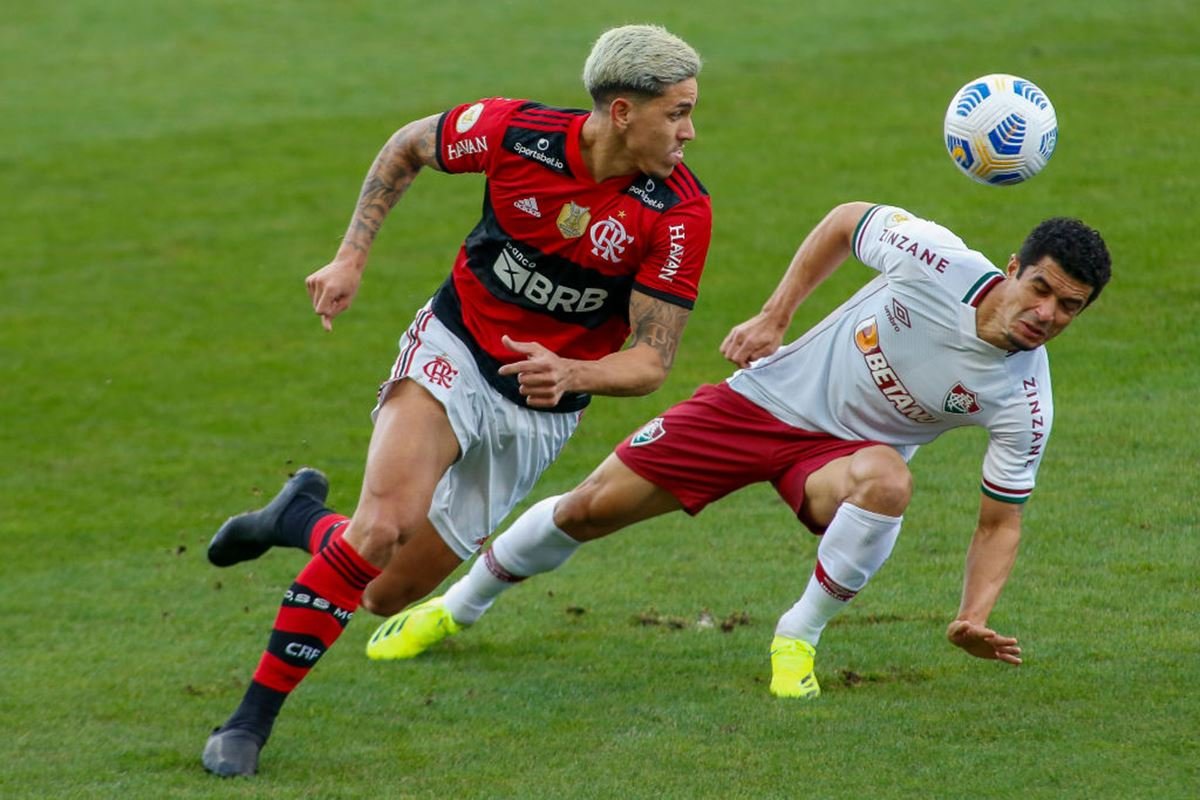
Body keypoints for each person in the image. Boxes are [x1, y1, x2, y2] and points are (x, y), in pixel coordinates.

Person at [201, 24, 711, 778]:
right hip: (455, 350)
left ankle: (299, 518)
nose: (689, 132)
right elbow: (407, 146)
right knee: (379, 527)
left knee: (381, 593)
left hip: (538, 409)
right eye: (678, 112)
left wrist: (575, 375)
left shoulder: (676, 212)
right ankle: (248, 724)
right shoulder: (514, 135)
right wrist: (350, 256)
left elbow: (650, 362)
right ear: (623, 111)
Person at [364, 201, 1111, 700]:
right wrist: (774, 315)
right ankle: (454, 609)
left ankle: (798, 637)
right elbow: (845, 221)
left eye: (1069, 308)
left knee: (887, 480)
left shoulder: (1025, 398)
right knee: (590, 510)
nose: (1046, 314)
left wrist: (972, 614)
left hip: (839, 461)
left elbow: (999, 521)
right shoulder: (938, 262)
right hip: (761, 402)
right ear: (1014, 268)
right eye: (1040, 289)